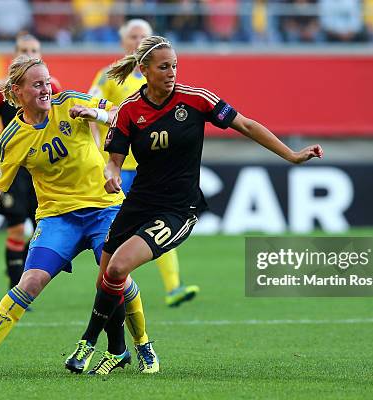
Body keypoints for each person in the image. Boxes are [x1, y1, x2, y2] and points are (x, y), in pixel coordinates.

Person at [71, 35, 324, 375]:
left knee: (117, 269)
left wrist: (292, 156)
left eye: (175, 65)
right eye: (163, 67)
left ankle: (87, 342)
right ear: (144, 70)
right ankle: (135, 347)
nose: (172, 72)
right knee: (106, 277)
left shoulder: (196, 99)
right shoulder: (130, 110)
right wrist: (111, 174)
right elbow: (114, 160)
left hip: (178, 209)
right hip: (139, 203)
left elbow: (246, 124)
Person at [0, 55, 158, 376]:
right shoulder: (11, 137)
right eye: (37, 84)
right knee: (31, 281)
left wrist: (93, 112)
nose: (46, 89)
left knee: (115, 275)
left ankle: (144, 345)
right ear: (18, 92)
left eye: (47, 82)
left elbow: (121, 114)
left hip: (103, 208)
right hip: (57, 218)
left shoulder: (71, 102)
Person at [88, 18, 199, 308]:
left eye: (144, 37)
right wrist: (102, 152)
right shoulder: (110, 78)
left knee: (161, 222)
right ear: (123, 42)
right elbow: (92, 108)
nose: (138, 41)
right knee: (115, 232)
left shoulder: (164, 82)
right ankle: (109, 284)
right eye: (133, 36)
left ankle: (173, 286)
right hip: (121, 167)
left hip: (152, 170)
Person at [0, 34, 61, 297]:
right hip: (13, 170)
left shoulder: (52, 87)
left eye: (34, 50)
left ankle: (22, 273)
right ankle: (15, 288)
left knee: (41, 229)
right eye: (24, 50)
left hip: (40, 168)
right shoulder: (0, 91)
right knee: (15, 226)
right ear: (14, 54)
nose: (29, 54)